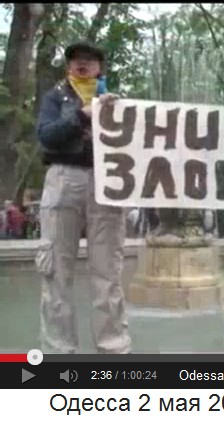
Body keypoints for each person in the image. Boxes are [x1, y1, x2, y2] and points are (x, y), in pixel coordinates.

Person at [35, 40, 131, 354]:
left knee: (108, 271)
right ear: (68, 66)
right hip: (64, 179)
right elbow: (46, 135)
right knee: (56, 272)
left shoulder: (114, 101)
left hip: (108, 182)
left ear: (99, 68)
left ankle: (113, 347)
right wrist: (81, 115)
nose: (83, 64)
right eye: (76, 60)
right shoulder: (55, 96)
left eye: (90, 60)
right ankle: (58, 350)